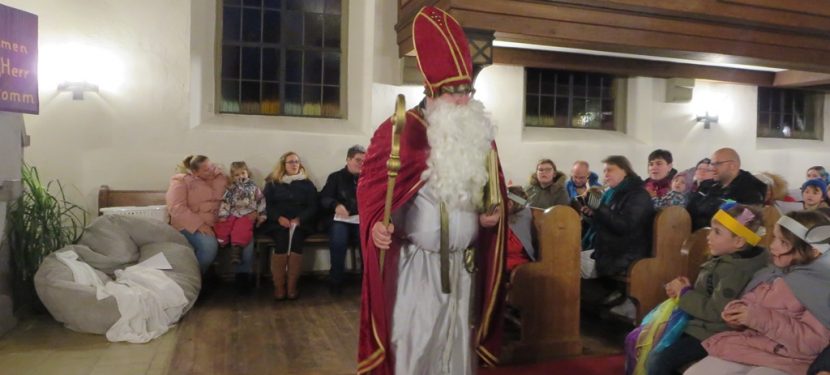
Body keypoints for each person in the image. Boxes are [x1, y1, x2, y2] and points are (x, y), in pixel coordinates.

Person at [356, 7, 506, 374]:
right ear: (432, 91)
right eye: (454, 92)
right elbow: (372, 193)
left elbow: (493, 193)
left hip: (463, 266)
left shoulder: (478, 135)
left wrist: (491, 216)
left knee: (457, 345)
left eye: (467, 90)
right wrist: (376, 224)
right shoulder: (402, 131)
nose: (463, 100)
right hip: (416, 266)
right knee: (415, 343)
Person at [685, 210, 830, 375]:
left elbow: (812, 343)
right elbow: (751, 304)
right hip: (750, 346)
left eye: (784, 243)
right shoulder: (772, 273)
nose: (773, 245)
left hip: (790, 359)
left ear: (813, 251)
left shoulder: (821, 288)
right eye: (775, 237)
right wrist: (737, 314)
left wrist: (754, 317)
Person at [646, 203, 768, 375]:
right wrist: (686, 289)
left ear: (739, 241)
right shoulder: (728, 258)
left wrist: (685, 293)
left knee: (658, 361)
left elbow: (716, 311)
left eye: (717, 232)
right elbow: (708, 290)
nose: (708, 236)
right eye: (711, 229)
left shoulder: (735, 270)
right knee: (653, 338)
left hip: (713, 332)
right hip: (700, 324)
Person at [579, 155, 655, 318]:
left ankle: (607, 299)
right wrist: (592, 215)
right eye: (604, 171)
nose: (605, 174)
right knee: (566, 262)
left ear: (625, 171)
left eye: (610, 170)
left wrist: (600, 208)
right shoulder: (613, 193)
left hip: (625, 253)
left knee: (569, 266)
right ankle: (599, 303)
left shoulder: (638, 195)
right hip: (611, 248)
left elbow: (624, 226)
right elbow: (608, 223)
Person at [165, 155, 255, 288]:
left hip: (221, 221)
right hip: (190, 225)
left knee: (246, 239)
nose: (212, 170)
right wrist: (199, 224)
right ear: (195, 172)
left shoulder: (221, 178)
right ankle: (193, 282)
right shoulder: (181, 181)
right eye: (206, 170)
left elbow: (237, 195)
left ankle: (242, 279)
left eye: (211, 166)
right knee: (208, 245)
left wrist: (250, 210)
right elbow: (176, 208)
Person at [260, 151, 319, 301]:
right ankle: (279, 287)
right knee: (281, 240)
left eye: (297, 162)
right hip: (277, 223)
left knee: (296, 241)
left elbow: (313, 206)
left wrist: (300, 219)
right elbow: (266, 204)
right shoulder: (273, 183)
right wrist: (278, 218)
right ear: (283, 165)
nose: (294, 165)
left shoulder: (307, 183)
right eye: (291, 162)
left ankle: (292, 286)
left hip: (300, 223)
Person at [320, 145, 365, 295]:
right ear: (348, 159)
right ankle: (336, 280)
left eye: (364, 161)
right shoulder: (335, 177)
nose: (361, 164)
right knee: (339, 239)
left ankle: (367, 281)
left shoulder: (368, 178)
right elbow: (325, 198)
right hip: (340, 219)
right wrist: (336, 205)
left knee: (366, 239)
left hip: (359, 219)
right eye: (358, 160)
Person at [686, 148, 767, 230]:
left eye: (717, 164)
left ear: (732, 166)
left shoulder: (752, 190)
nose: (712, 168)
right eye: (712, 164)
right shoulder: (706, 186)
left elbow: (744, 225)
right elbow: (688, 212)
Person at [214, 161, 266, 265]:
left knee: (241, 229)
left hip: (247, 214)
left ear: (248, 173)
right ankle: (221, 241)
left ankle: (236, 252)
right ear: (233, 177)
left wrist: (262, 215)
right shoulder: (231, 189)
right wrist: (223, 215)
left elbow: (261, 201)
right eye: (237, 175)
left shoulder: (253, 188)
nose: (240, 176)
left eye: (243, 173)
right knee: (223, 224)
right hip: (233, 213)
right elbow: (226, 203)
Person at [505, 186, 536, 273]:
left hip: (519, 262)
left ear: (510, 204)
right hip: (510, 258)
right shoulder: (514, 214)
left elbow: (515, 247)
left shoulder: (522, 218)